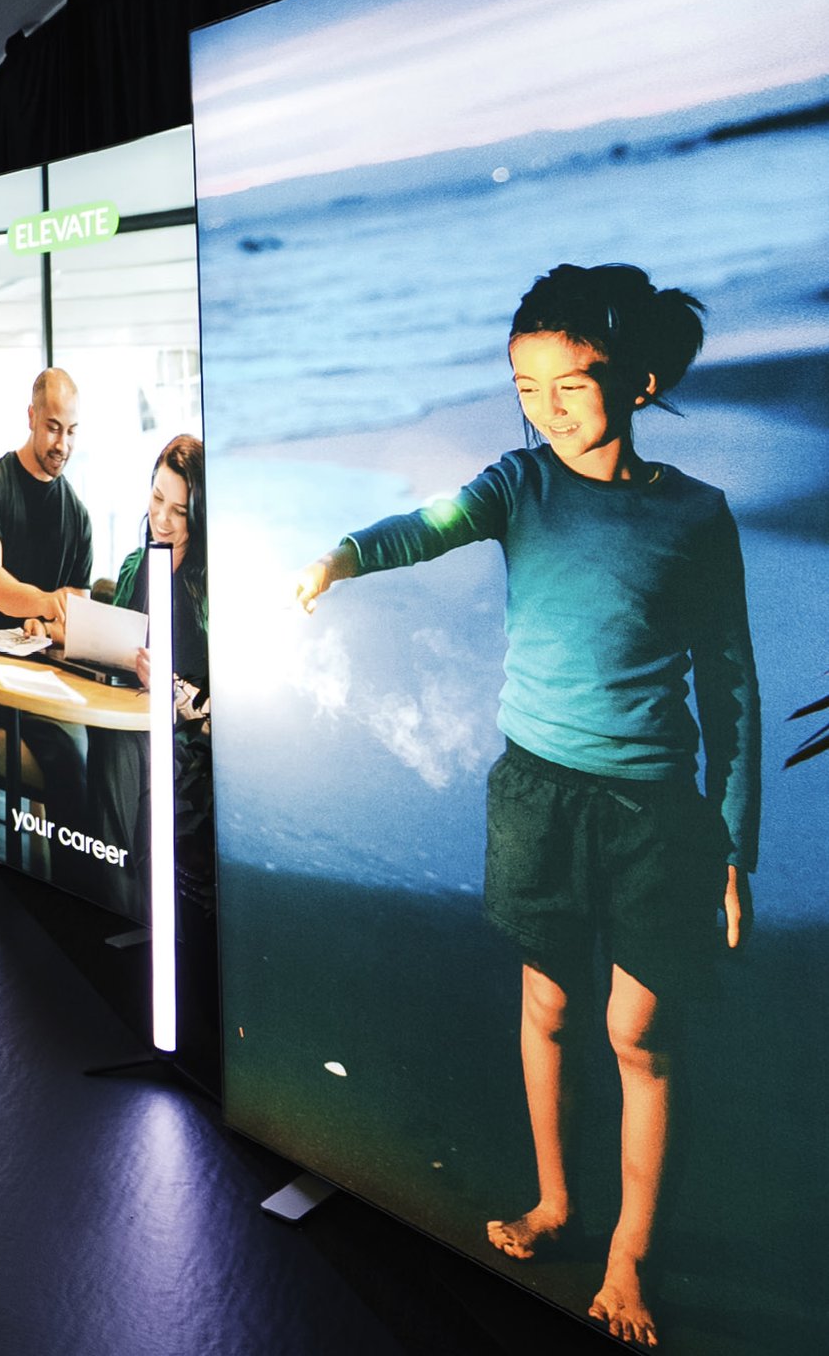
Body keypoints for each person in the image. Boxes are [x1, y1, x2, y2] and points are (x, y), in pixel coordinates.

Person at [294, 263, 759, 1349]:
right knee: (547, 1007)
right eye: (523, 385)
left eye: (570, 384)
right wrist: (346, 555)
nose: (545, 408)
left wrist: (734, 847)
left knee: (635, 1033)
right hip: (536, 795)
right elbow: (431, 521)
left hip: (654, 815)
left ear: (638, 382)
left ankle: (628, 1259)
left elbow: (728, 685)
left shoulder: (697, 516)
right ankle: (555, 1201)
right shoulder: (519, 485)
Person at [0, 368, 95, 858]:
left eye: (72, 431)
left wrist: (49, 624)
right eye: (53, 427)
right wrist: (47, 603)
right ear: (31, 417)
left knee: (73, 766)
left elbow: (71, 619)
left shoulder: (79, 517)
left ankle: (75, 901)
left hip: (40, 683)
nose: (63, 444)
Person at [81, 435, 210, 923]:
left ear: (197, 517)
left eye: (179, 511)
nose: (161, 519)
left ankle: (125, 914)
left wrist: (172, 690)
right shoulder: (137, 567)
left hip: (187, 741)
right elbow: (115, 646)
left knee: (121, 747)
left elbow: (228, 710)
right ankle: (123, 908)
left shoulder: (210, 586)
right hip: (134, 720)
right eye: (157, 499)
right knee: (114, 737)